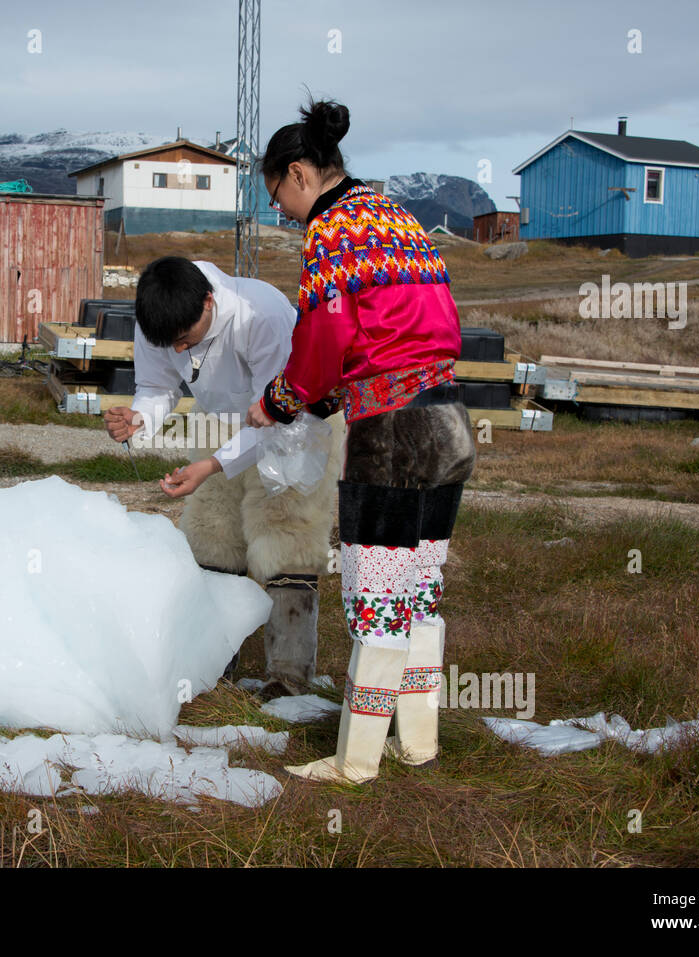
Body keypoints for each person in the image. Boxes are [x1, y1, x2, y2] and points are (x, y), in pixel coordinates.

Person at [246, 99, 477, 784]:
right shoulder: (393, 213)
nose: (282, 212)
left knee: (376, 601)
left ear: (298, 174)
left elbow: (323, 339)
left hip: (392, 428)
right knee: (420, 594)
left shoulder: (331, 232)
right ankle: (419, 742)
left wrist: (281, 401)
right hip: (450, 419)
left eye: (278, 197)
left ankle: (356, 762)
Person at [103, 257, 346, 698]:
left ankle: (288, 679)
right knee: (212, 535)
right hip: (219, 419)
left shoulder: (262, 314)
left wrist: (212, 465)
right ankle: (213, 664)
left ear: (210, 302)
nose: (177, 351)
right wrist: (140, 417)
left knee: (285, 537)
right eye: (168, 344)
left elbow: (275, 414)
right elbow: (159, 387)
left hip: (295, 421)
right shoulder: (159, 318)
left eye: (184, 340)